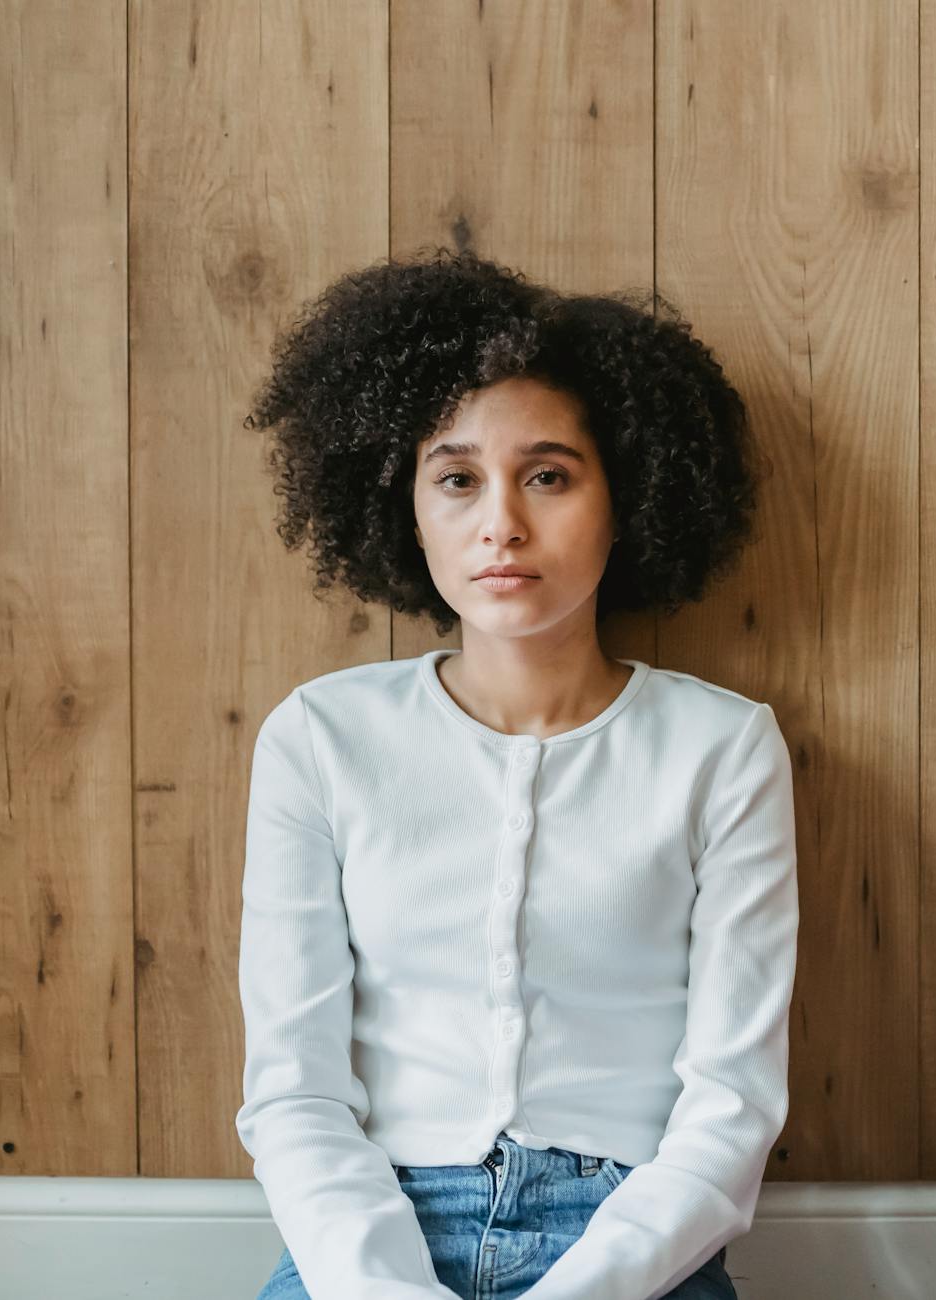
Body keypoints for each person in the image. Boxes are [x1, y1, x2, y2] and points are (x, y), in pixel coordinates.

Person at [235, 252, 797, 1300]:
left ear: (625, 496)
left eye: (548, 475)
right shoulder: (318, 738)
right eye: (457, 478)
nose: (501, 522)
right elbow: (293, 1093)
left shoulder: (723, 750)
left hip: (634, 1239)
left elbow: (732, 1105)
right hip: (370, 1232)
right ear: (403, 505)